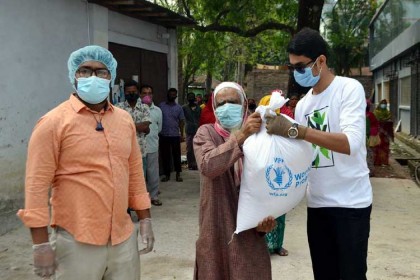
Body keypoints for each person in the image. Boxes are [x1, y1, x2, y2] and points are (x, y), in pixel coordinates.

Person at [17, 45, 154, 279]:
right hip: (77, 240)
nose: (93, 77)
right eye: (85, 71)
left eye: (101, 72)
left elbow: (134, 173)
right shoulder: (53, 123)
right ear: (74, 76)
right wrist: (39, 244)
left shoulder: (124, 121)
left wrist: (145, 219)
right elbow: (36, 184)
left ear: (111, 77)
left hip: (122, 238)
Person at [265, 28, 372, 280]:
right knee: (324, 275)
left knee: (351, 275)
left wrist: (295, 130)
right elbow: (303, 152)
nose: (296, 73)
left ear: (321, 61)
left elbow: (351, 143)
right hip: (318, 204)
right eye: (292, 68)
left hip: (350, 204)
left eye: (301, 66)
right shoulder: (303, 105)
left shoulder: (349, 89)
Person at [193, 82, 276, 280]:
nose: (227, 107)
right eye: (221, 104)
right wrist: (241, 136)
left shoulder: (262, 136)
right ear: (213, 107)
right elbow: (208, 166)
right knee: (215, 269)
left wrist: (268, 217)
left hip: (251, 227)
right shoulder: (206, 133)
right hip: (217, 223)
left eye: (233, 101)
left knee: (249, 270)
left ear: (244, 104)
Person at [258, 93, 290, 257]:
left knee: (280, 212)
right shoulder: (256, 126)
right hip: (262, 176)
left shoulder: (284, 124)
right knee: (263, 213)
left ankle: (278, 245)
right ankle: (263, 245)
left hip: (279, 173)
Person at [115, 80, 151, 176]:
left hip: (140, 151)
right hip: (123, 152)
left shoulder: (144, 107)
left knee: (140, 182)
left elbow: (145, 126)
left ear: (138, 92)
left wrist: (125, 125)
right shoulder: (118, 108)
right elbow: (116, 127)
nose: (131, 93)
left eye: (134, 91)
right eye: (128, 92)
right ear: (124, 93)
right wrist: (140, 126)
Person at [140, 84, 163, 206]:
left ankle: (154, 196)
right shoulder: (136, 109)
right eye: (144, 93)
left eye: (149, 93)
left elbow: (159, 128)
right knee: (140, 175)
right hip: (138, 148)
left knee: (153, 173)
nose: (147, 96)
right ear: (140, 95)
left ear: (152, 95)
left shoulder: (158, 111)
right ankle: (141, 199)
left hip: (152, 146)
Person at [159, 88, 185, 182]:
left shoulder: (179, 108)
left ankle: (178, 174)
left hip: (175, 135)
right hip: (163, 135)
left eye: (174, 94)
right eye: (170, 94)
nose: (172, 96)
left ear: (176, 96)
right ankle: (167, 175)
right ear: (167, 95)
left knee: (176, 156)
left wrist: (181, 134)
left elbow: (182, 121)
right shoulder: (161, 106)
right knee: (165, 156)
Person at [182, 92, 201, 170]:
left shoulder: (199, 108)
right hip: (189, 130)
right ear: (187, 98)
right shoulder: (184, 108)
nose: (191, 98)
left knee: (197, 148)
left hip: (198, 130)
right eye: (189, 97)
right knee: (189, 148)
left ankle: (197, 164)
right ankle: (190, 164)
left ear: (195, 98)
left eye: (192, 97)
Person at [373, 99, 394, 165]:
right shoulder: (376, 112)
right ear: (380, 104)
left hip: (385, 135)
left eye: (385, 104)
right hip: (378, 133)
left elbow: (390, 121)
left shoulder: (387, 112)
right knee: (377, 147)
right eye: (382, 104)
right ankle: (377, 162)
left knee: (385, 148)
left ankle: (384, 161)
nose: (383, 105)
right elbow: (374, 121)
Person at [366, 99, 379, 176]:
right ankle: (370, 170)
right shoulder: (371, 115)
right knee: (370, 154)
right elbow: (376, 125)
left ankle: (370, 170)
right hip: (371, 137)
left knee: (367, 154)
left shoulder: (362, 115)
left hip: (368, 137)